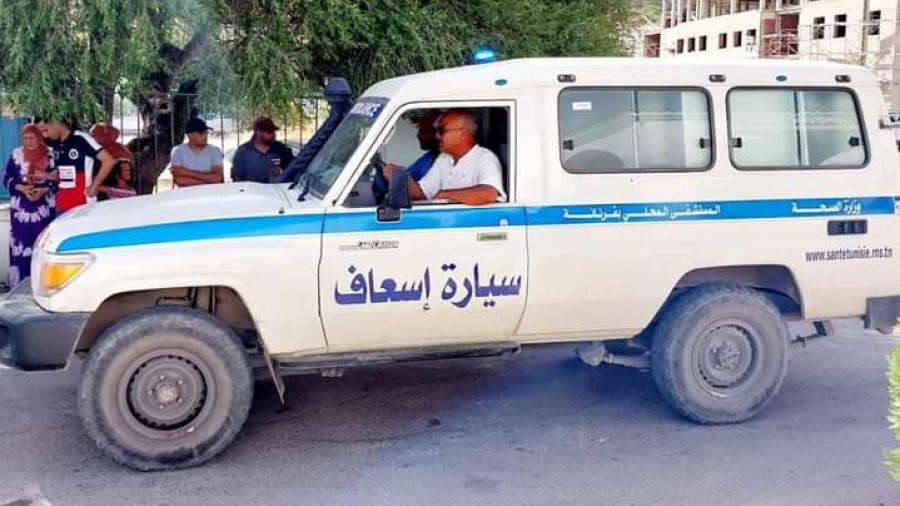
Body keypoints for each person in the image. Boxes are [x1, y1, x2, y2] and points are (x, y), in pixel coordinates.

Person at [384, 109, 504, 206]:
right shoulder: (444, 158)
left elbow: (488, 193)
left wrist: (445, 195)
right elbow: (423, 192)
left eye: (441, 131)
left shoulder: (485, 158)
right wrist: (399, 176)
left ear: (462, 133)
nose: (436, 136)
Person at [3, 125, 57, 287]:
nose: (29, 142)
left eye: (32, 138)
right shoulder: (16, 155)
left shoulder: (50, 155)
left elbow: (59, 181)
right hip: (20, 211)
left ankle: (42, 285)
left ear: (39, 137)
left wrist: (43, 191)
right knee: (21, 245)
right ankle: (19, 285)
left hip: (43, 210)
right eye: (25, 138)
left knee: (42, 245)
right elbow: (6, 178)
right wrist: (22, 188)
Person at [44, 119, 116, 212]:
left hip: (83, 204)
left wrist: (94, 186)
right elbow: (61, 174)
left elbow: (109, 161)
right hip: (62, 204)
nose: (44, 135)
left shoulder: (80, 138)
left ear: (55, 122)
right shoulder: (55, 144)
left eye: (45, 130)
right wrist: (45, 175)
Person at [231, 117, 295, 183]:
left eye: (273, 131)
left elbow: (293, 168)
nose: (273, 135)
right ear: (258, 132)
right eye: (269, 132)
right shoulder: (243, 151)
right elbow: (236, 177)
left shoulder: (280, 149)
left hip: (275, 190)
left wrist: (281, 172)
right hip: (251, 191)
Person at [170, 118, 224, 187]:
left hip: (210, 194)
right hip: (185, 195)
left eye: (206, 132)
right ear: (190, 135)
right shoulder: (178, 151)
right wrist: (208, 176)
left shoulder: (215, 151)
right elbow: (179, 180)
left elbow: (217, 178)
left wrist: (186, 172)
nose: (205, 136)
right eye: (201, 133)